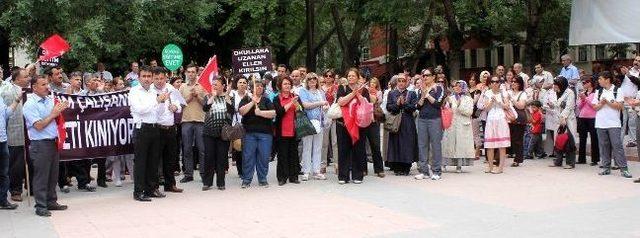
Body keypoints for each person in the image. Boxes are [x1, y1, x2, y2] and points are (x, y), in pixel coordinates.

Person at [23, 75, 69, 216]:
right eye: (43, 85)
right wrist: (54, 113)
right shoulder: (30, 104)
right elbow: (38, 126)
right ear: (34, 87)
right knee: (41, 176)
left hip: (53, 142)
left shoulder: (50, 100)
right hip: (40, 144)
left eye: (47, 84)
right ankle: (41, 206)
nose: (47, 87)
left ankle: (51, 201)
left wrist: (61, 109)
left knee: (52, 175)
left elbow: (57, 117)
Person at [129, 66, 168, 202]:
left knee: (153, 161)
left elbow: (159, 112)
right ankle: (138, 191)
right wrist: (156, 101)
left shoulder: (153, 92)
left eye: (148, 76)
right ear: (139, 77)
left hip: (154, 127)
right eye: (144, 76)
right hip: (141, 129)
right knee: (140, 162)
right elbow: (140, 110)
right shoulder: (134, 91)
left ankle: (151, 188)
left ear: (152, 78)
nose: (146, 79)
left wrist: (162, 102)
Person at [592, 71, 632, 178]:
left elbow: (620, 106)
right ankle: (606, 167)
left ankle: (624, 169)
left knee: (617, 146)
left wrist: (608, 102)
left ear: (607, 79)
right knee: (604, 146)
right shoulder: (598, 91)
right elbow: (595, 107)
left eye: (600, 79)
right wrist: (602, 103)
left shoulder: (617, 90)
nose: (599, 81)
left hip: (614, 123)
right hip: (600, 123)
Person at [151, 67, 183, 193]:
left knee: (171, 158)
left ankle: (170, 184)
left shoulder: (170, 88)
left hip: (170, 127)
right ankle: (154, 186)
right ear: (153, 78)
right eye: (157, 78)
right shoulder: (151, 90)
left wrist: (175, 106)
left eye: (162, 78)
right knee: (155, 159)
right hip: (157, 127)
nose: (159, 81)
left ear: (165, 77)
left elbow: (179, 104)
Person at [335, 68, 369, 184]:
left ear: (358, 77)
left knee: (358, 149)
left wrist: (358, 93)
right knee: (343, 150)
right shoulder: (342, 88)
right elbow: (341, 102)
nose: (350, 78)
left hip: (359, 124)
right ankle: (343, 176)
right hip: (343, 124)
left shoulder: (364, 90)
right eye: (349, 76)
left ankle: (357, 175)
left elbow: (366, 104)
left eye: (353, 76)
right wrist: (352, 94)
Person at [239, 80, 276, 188]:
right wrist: (252, 102)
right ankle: (246, 179)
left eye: (261, 86)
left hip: (265, 134)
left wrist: (261, 113)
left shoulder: (266, 100)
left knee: (264, 157)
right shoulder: (246, 99)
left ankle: (262, 179)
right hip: (249, 133)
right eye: (257, 86)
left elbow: (273, 113)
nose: (259, 88)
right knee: (248, 157)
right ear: (252, 88)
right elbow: (241, 111)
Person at [1, 69, 30, 202]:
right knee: (14, 164)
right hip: (12, 132)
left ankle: (29, 188)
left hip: (29, 132)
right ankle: (15, 190)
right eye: (25, 76)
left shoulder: (30, 89)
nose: (29, 78)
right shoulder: (7, 89)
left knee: (26, 162)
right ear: (17, 79)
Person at [202, 77, 233, 191]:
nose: (214, 86)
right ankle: (207, 182)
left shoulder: (229, 97)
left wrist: (227, 97)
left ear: (223, 86)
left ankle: (221, 182)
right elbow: (205, 108)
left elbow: (231, 111)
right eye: (213, 84)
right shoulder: (208, 96)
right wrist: (213, 96)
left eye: (217, 84)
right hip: (209, 132)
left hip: (223, 133)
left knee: (222, 158)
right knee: (209, 157)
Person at [415, 69, 445, 180]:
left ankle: (436, 171)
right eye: (423, 75)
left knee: (435, 145)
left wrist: (427, 95)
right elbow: (418, 106)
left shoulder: (438, 88)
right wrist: (423, 95)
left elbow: (438, 104)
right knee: (422, 145)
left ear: (433, 77)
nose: (425, 77)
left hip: (434, 119)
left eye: (427, 75)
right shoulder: (420, 89)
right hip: (422, 119)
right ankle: (424, 171)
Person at [179, 64, 207, 183]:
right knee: (187, 149)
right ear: (186, 73)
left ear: (197, 73)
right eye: (189, 72)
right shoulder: (182, 87)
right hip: (186, 121)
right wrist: (190, 97)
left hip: (200, 120)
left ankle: (204, 173)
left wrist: (198, 96)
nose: (191, 74)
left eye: (193, 72)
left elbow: (206, 104)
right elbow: (179, 105)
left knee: (202, 149)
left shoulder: (203, 86)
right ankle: (188, 174)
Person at [273, 77, 303, 186]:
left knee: (293, 154)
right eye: (285, 84)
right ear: (280, 86)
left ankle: (293, 176)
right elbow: (279, 112)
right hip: (281, 130)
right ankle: (282, 177)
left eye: (289, 84)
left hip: (294, 130)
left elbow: (301, 110)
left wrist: (297, 105)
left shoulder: (295, 97)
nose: (287, 86)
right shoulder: (277, 98)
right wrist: (291, 103)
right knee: (282, 155)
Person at [385, 75, 417, 175]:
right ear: (397, 82)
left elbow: (413, 107)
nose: (401, 83)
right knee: (396, 143)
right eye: (399, 81)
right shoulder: (392, 93)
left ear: (407, 82)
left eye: (403, 81)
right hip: (396, 121)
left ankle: (406, 167)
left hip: (407, 121)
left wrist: (404, 104)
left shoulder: (411, 93)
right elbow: (389, 107)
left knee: (407, 144)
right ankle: (397, 167)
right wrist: (397, 104)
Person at [479, 76, 511, 174]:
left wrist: (498, 102)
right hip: (491, 119)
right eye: (492, 82)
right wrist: (491, 102)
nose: (494, 83)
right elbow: (485, 108)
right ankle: (490, 167)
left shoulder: (504, 93)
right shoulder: (487, 93)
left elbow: (507, 106)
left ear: (499, 83)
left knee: (502, 145)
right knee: (490, 144)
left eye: (497, 82)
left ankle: (500, 168)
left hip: (501, 119)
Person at [299, 73, 328, 181]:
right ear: (306, 81)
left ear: (317, 80)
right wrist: (320, 103)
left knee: (317, 147)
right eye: (309, 79)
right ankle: (306, 171)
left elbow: (325, 105)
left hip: (320, 122)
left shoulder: (321, 92)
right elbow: (306, 105)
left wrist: (325, 107)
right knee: (307, 147)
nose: (312, 80)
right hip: (308, 122)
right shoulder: (303, 91)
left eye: (314, 78)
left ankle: (316, 171)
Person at [442, 80, 475, 173]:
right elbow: (445, 111)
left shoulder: (468, 99)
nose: (457, 88)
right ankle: (444, 164)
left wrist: (460, 105)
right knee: (448, 144)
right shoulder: (450, 98)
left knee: (461, 146)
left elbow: (469, 112)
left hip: (462, 124)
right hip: (451, 124)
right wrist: (446, 104)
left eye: (460, 86)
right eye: (455, 86)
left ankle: (459, 166)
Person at [549, 76, 577, 169]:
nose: (555, 87)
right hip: (558, 120)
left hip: (567, 120)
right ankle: (558, 161)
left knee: (568, 141)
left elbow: (569, 107)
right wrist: (552, 105)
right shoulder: (556, 93)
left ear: (562, 85)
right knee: (558, 141)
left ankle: (570, 162)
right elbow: (557, 105)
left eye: (556, 85)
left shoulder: (569, 93)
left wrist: (563, 117)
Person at [0, 76, 19, 210]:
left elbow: (6, 114)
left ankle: (2, 201)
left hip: (2, 139)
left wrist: (17, 101)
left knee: (3, 173)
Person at [360, 77, 385, 177]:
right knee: (361, 146)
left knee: (375, 145)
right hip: (362, 120)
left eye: (362, 81)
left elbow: (374, 100)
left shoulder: (372, 91)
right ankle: (363, 169)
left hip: (373, 120)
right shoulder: (357, 91)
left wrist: (366, 91)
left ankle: (379, 169)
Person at [229, 76, 251, 177]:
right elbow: (229, 108)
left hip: (248, 124)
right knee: (238, 148)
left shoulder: (250, 95)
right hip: (236, 124)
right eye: (240, 82)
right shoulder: (232, 94)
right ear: (236, 84)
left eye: (244, 82)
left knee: (247, 148)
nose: (242, 84)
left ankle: (247, 169)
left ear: (247, 84)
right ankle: (240, 171)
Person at [577, 77, 599, 166]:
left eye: (585, 82)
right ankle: (581, 159)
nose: (583, 84)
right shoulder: (584, 93)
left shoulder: (595, 93)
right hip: (582, 117)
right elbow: (579, 106)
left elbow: (593, 105)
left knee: (594, 138)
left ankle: (595, 159)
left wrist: (585, 98)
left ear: (590, 83)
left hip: (592, 117)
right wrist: (582, 99)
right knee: (582, 138)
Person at [508, 76, 528, 167]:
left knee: (518, 139)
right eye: (512, 81)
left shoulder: (522, 93)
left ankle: (518, 159)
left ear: (519, 83)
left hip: (518, 118)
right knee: (511, 138)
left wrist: (512, 99)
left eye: (515, 82)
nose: (513, 83)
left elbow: (521, 106)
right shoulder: (508, 92)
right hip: (509, 118)